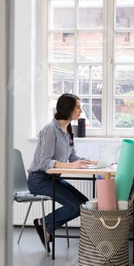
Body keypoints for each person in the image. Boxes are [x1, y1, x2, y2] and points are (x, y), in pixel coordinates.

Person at [27, 93, 96, 251]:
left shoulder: (67, 129)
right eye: (77, 107)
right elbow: (45, 163)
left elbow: (72, 156)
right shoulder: (50, 130)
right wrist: (72, 166)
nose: (80, 110)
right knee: (77, 206)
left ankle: (46, 225)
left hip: (53, 179)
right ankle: (44, 223)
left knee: (85, 205)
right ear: (67, 109)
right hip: (39, 180)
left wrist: (93, 162)